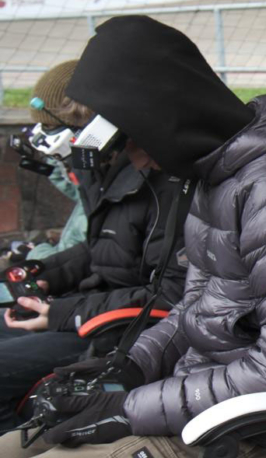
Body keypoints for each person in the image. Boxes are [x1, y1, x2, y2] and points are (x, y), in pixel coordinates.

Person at [0, 15, 266, 458]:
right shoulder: (220, 177)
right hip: (199, 399)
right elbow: (193, 308)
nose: (136, 160)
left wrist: (128, 409)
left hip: (257, 432)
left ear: (164, 115)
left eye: (131, 139)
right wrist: (126, 370)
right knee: (11, 453)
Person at [0, 60, 189, 431]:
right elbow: (101, 248)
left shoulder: (162, 183)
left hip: (115, 331)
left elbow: (171, 294)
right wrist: (48, 273)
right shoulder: (104, 171)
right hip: (87, 308)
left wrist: (60, 313)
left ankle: (20, 452)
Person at [0, 60, 88, 273]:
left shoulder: (106, 192)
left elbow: (69, 258)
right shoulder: (95, 183)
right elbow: (80, 191)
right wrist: (57, 162)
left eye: (50, 127)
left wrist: (34, 252)